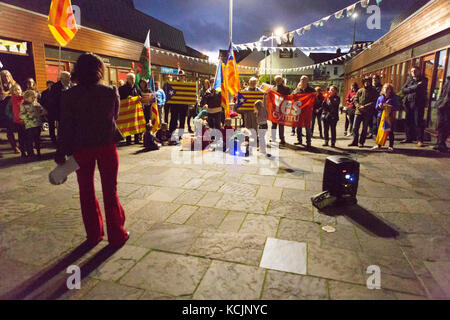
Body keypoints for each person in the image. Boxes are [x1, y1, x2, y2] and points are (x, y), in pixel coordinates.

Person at [55, 53, 129, 247]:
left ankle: (94, 234)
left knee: (86, 192)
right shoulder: (111, 91)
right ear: (99, 70)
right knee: (110, 191)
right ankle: (117, 234)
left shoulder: (69, 95)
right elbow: (115, 116)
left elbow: (66, 125)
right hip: (106, 145)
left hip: (82, 148)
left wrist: (61, 152)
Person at [401, 67, 429, 147]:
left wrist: (410, 89)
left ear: (419, 71)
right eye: (412, 71)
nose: (413, 72)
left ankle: (420, 140)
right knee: (408, 121)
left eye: (415, 71)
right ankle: (408, 138)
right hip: (408, 104)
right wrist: (414, 87)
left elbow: (419, 87)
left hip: (418, 104)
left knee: (418, 122)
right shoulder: (409, 80)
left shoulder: (424, 79)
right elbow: (403, 90)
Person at [349, 76, 378, 148]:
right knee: (355, 127)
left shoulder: (373, 91)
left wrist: (365, 106)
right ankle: (354, 141)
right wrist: (358, 106)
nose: (366, 83)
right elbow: (355, 99)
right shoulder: (360, 90)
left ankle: (361, 142)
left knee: (364, 129)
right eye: (365, 81)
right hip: (358, 111)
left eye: (368, 81)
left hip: (367, 112)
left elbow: (374, 101)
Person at [372, 83, 401, 152]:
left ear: (391, 90)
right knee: (380, 130)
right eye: (384, 88)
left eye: (388, 88)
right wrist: (379, 106)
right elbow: (376, 107)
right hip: (380, 116)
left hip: (389, 117)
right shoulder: (380, 97)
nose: (386, 89)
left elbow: (397, 107)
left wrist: (388, 106)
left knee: (390, 131)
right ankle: (379, 144)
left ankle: (391, 145)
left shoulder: (394, 97)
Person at [20, 90, 47, 158]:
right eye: (32, 97)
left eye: (35, 97)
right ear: (26, 97)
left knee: (37, 139)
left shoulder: (36, 104)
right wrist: (28, 116)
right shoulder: (23, 105)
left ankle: (38, 152)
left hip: (37, 124)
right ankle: (30, 153)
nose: (34, 99)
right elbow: (21, 115)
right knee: (29, 140)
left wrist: (41, 112)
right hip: (29, 125)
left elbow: (44, 111)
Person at [48, 71, 72, 145]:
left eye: (69, 77)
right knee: (61, 129)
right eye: (67, 78)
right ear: (62, 78)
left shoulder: (71, 85)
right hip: (60, 111)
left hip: (70, 111)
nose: (69, 79)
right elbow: (53, 100)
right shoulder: (55, 87)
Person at [293, 76, 316, 149]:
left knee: (307, 127)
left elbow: (315, 100)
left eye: (304, 80)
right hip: (299, 111)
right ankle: (299, 140)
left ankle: (308, 142)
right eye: (301, 80)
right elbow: (292, 96)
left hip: (308, 111)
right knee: (298, 126)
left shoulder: (311, 90)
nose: (302, 81)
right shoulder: (297, 90)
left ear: (307, 81)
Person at [119, 73, 143, 145]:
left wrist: (140, 97)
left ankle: (136, 139)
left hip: (135, 110)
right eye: (132, 79)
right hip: (127, 110)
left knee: (136, 124)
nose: (133, 80)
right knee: (128, 125)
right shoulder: (122, 88)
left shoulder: (136, 87)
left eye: (134, 79)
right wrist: (126, 98)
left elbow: (140, 95)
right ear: (127, 79)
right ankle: (128, 140)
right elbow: (119, 98)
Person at [0, 70, 20, 153]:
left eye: (8, 75)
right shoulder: (0, 86)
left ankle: (23, 144)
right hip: (4, 110)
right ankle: (14, 147)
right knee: (10, 129)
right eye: (4, 76)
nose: (6, 77)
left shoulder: (14, 84)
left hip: (15, 109)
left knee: (20, 128)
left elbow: (19, 93)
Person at [5, 84, 27, 157]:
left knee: (28, 136)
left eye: (18, 89)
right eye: (15, 90)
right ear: (13, 92)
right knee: (21, 137)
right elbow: (7, 111)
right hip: (18, 121)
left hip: (27, 121)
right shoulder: (11, 100)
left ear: (21, 90)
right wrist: (13, 116)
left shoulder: (25, 98)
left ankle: (29, 150)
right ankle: (23, 152)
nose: (17, 91)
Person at [168, 71, 189, 138]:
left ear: (184, 77)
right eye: (180, 75)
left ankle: (180, 135)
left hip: (183, 106)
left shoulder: (187, 85)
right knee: (173, 119)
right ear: (178, 76)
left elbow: (189, 95)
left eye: (182, 75)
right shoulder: (174, 84)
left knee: (182, 121)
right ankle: (171, 133)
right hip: (175, 105)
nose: (181, 77)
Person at [271, 75, 290, 145]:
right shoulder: (273, 89)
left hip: (282, 109)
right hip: (275, 109)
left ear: (282, 80)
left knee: (281, 125)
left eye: (279, 80)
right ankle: (273, 138)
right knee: (273, 125)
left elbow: (289, 98)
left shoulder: (286, 89)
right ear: (275, 81)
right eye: (276, 80)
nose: (278, 81)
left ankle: (282, 138)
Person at [434, 76, 450, 152]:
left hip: (444, 105)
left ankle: (440, 143)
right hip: (444, 106)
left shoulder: (448, 80)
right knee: (444, 125)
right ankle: (440, 144)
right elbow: (445, 95)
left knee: (444, 126)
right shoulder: (448, 81)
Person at [369, 74, 383, 138]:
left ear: (378, 79)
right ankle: (370, 132)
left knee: (375, 120)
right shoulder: (369, 87)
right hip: (370, 106)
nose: (374, 80)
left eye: (375, 78)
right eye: (373, 78)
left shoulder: (381, 87)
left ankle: (375, 133)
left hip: (376, 106)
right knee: (370, 120)